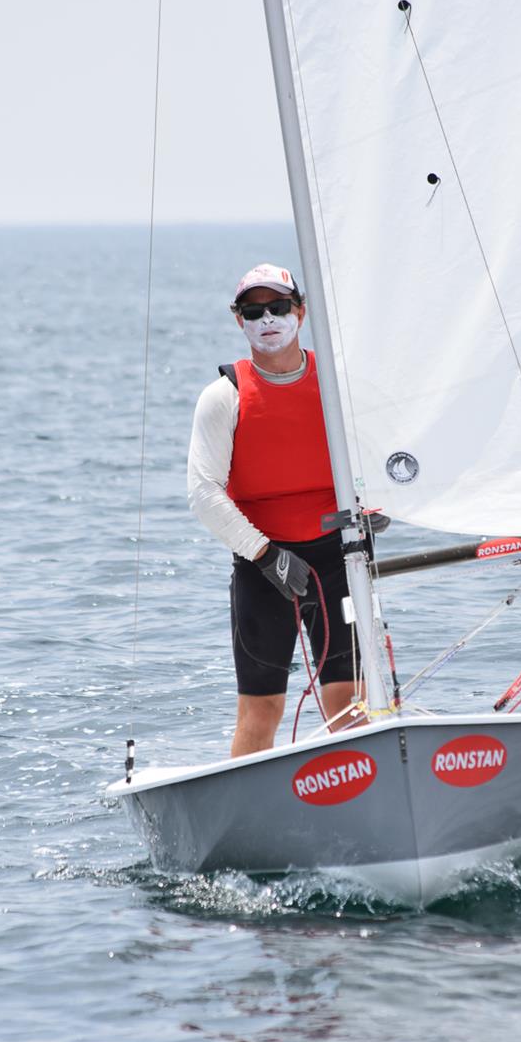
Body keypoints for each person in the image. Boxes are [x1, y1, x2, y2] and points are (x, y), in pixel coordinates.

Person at [188, 262, 368, 759]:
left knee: (348, 702)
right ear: (239, 321)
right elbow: (203, 493)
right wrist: (267, 556)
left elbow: (380, 456)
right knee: (261, 709)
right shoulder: (223, 397)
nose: (267, 319)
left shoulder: (339, 385)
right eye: (253, 311)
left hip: (339, 559)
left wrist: (376, 506)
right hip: (264, 566)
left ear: (300, 312)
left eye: (279, 307)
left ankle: (364, 798)